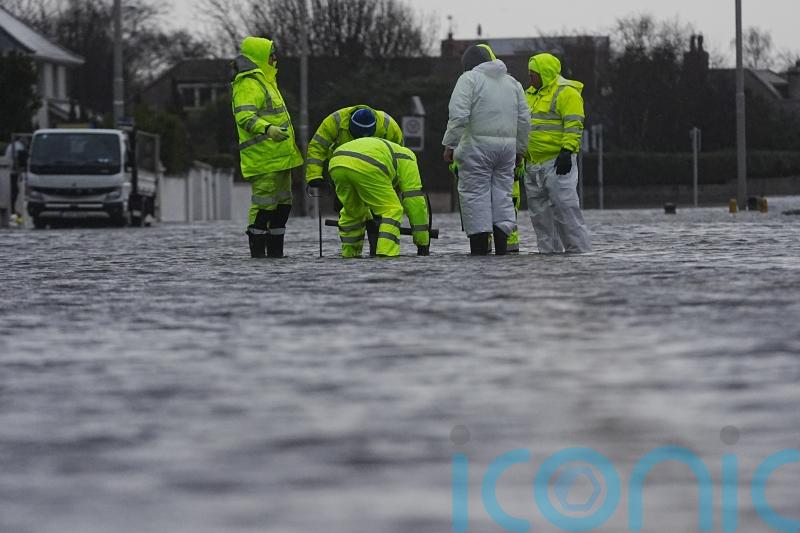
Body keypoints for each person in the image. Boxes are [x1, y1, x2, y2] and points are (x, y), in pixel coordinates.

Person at [442, 44, 530, 255]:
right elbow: (525, 120)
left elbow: (459, 115)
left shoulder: (469, 79)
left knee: (475, 195)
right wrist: (520, 150)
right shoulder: (513, 83)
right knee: (503, 196)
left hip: (476, 148)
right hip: (507, 150)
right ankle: (502, 249)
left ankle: (480, 252)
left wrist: (449, 145)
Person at [231, 36, 303, 258]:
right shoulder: (248, 83)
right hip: (264, 158)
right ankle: (258, 256)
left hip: (280, 158)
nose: (275, 58)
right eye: (271, 53)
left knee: (283, 206)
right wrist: (267, 129)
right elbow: (244, 116)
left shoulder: (267, 81)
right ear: (260, 57)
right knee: (264, 207)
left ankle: (275, 255)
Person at [305, 105, 404, 255]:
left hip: (375, 174)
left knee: (378, 214)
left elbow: (398, 156)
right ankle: (352, 252)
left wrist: (392, 185)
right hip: (344, 170)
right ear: (350, 127)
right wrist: (314, 176)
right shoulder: (334, 122)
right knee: (348, 211)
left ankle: (374, 249)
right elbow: (317, 147)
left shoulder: (389, 126)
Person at [524, 53, 592, 253]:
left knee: (566, 211)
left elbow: (574, 124)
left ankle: (580, 253)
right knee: (540, 218)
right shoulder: (529, 94)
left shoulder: (566, 93)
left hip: (556, 162)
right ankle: (549, 256)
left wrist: (567, 150)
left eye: (533, 73)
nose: (530, 78)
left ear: (544, 73)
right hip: (533, 164)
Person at [328, 137, 430, 257]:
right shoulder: (408, 158)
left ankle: (349, 255)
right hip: (368, 163)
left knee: (353, 211)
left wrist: (370, 220)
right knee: (392, 209)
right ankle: (385, 256)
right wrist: (423, 242)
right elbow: (414, 201)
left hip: (337, 161)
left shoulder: (385, 150)